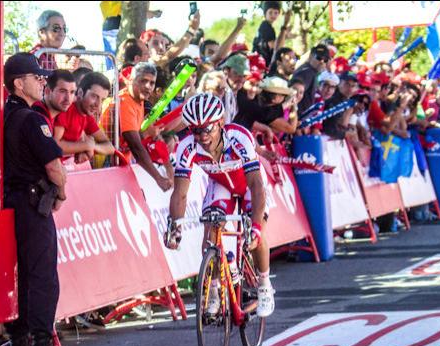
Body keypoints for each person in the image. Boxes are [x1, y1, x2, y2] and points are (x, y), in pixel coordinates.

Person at [2, 53, 80, 346]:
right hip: (33, 206)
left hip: (8, 204)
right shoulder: (33, 119)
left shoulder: (3, 115)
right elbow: (55, 169)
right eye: (36, 78)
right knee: (42, 278)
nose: (41, 82)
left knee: (19, 278)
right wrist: (60, 193)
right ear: (20, 83)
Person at [164, 93, 276, 318]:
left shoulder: (239, 136)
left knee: (257, 236)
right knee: (211, 229)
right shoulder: (187, 147)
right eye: (195, 130)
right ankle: (213, 289)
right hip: (221, 183)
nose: (202, 136)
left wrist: (254, 225)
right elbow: (180, 193)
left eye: (207, 129)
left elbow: (255, 185)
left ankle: (264, 286)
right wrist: (175, 226)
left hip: (248, 185)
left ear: (221, 123)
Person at [101, 62, 172, 191]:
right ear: (130, 81)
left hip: (121, 162)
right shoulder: (124, 101)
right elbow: (135, 146)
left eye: (152, 83)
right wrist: (158, 178)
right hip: (107, 163)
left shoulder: (139, 101)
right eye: (143, 81)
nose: (148, 86)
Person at [55, 72, 115, 166]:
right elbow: (54, 146)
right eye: (94, 96)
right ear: (80, 92)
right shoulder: (67, 109)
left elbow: (110, 147)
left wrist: (91, 147)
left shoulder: (87, 116)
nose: (98, 104)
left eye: (102, 100)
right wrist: (85, 146)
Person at [292, 44, 331, 115]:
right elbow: (294, 94)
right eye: (318, 58)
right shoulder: (307, 72)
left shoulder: (312, 72)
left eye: (325, 60)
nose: (322, 62)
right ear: (310, 56)